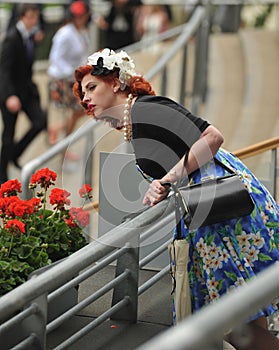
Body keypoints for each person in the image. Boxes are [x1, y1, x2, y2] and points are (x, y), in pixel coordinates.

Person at [73, 48, 279, 350]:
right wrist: (168, 181)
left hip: (223, 210)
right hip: (215, 211)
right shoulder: (137, 117)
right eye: (83, 94)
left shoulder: (145, 109)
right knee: (243, 314)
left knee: (231, 323)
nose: (86, 99)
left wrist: (166, 179)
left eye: (92, 87)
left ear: (116, 82)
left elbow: (212, 137)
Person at [0, 3, 47, 184]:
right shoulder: (12, 38)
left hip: (26, 91)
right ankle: (2, 174)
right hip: (11, 93)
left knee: (40, 121)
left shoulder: (29, 36)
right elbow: (4, 70)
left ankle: (14, 154)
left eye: (36, 17)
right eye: (31, 17)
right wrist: (9, 96)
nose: (34, 20)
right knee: (8, 135)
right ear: (22, 17)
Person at [47, 0, 91, 150]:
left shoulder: (83, 32)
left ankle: (64, 137)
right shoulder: (64, 33)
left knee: (81, 110)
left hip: (73, 79)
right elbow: (55, 58)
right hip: (61, 79)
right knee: (67, 111)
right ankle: (61, 139)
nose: (81, 18)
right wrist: (72, 75)